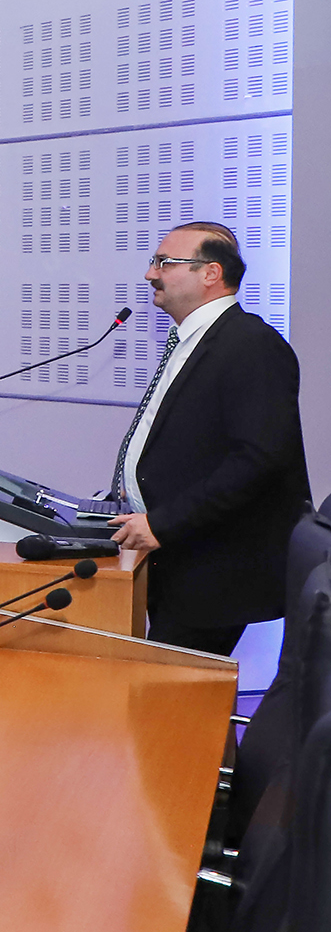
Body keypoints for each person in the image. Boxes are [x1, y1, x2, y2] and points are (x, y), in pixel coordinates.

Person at [107, 221, 311, 655]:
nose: (151, 273)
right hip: (176, 557)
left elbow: (258, 460)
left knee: (172, 690)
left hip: (214, 568)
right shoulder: (193, 339)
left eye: (165, 262)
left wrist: (162, 523)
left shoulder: (251, 344)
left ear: (210, 273)